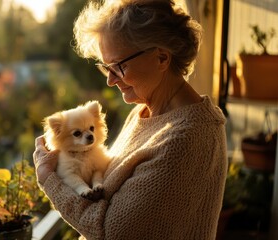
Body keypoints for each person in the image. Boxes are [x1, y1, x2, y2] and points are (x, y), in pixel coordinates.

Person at [33, 0, 227, 239]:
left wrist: (47, 177)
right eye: (106, 67)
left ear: (162, 58)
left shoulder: (184, 139)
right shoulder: (144, 112)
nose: (110, 80)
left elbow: (110, 232)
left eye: (118, 66)